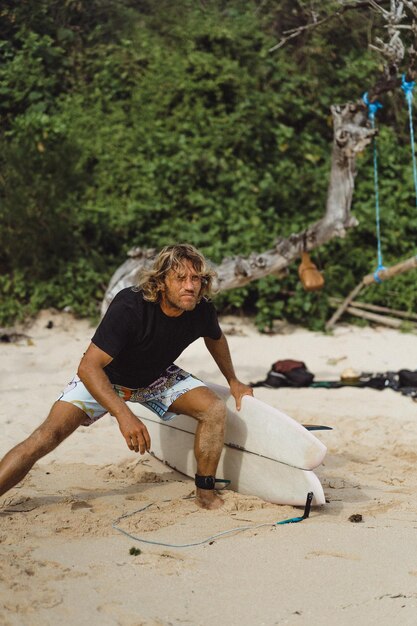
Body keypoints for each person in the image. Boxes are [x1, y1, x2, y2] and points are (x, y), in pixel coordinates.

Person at [0, 244, 253, 509]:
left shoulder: (201, 309)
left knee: (213, 409)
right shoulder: (130, 306)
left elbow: (215, 338)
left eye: (196, 279)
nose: (190, 286)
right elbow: (88, 367)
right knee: (45, 437)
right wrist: (123, 415)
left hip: (155, 376)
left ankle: (206, 493)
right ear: (162, 282)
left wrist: (233, 380)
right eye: (180, 278)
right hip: (105, 378)